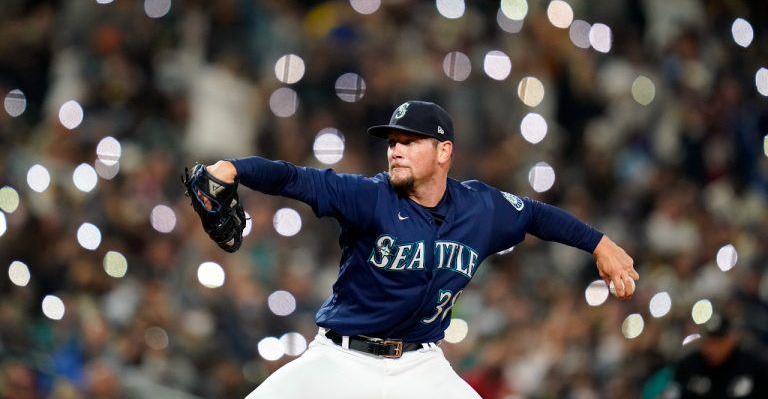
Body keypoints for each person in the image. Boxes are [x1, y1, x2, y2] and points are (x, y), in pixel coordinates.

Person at [200, 101, 639, 398]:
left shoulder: (481, 208)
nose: (396, 151)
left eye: (410, 142)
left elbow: (538, 216)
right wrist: (234, 168)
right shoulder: (369, 197)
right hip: (340, 359)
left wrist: (600, 244)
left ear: (444, 150)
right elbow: (294, 178)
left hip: (419, 368)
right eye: (392, 142)